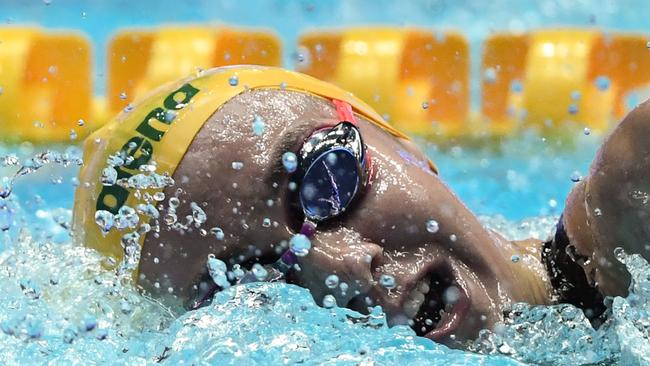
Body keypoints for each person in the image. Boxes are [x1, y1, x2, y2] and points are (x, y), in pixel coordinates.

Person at [72, 65, 647, 347]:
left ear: (401, 141)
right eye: (244, 283)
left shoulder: (634, 209)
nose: (340, 265)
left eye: (326, 178)